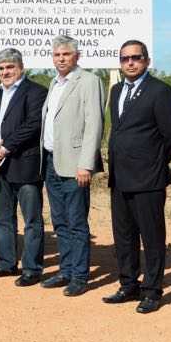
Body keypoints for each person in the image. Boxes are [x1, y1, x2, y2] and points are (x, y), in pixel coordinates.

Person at [103, 40, 171, 314]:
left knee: (151, 237)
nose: (130, 63)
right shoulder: (115, 91)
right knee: (123, 236)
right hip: (120, 177)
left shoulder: (160, 91)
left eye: (136, 58)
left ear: (147, 61)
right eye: (125, 58)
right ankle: (128, 285)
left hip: (148, 179)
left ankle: (152, 290)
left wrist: (156, 163)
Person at [39, 35, 105, 297]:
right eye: (57, 55)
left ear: (76, 56)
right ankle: (65, 270)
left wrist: (86, 165)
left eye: (66, 54)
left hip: (75, 165)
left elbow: (94, 125)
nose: (61, 59)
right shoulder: (54, 83)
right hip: (52, 162)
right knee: (60, 222)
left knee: (77, 222)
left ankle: (79, 275)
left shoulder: (89, 81)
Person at [0, 48, 48, 286]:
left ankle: (32, 268)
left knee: (31, 220)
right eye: (1, 68)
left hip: (24, 165)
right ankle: (6, 264)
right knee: (2, 219)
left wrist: (4, 148)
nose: (5, 72)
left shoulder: (36, 92)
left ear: (21, 68)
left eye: (10, 67)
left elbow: (32, 125)